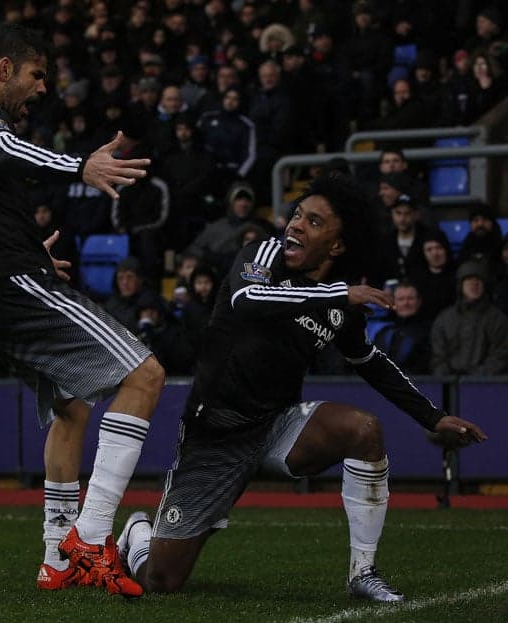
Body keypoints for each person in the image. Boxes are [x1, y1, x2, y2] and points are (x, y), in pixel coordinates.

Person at [115, 173, 487, 600]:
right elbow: (248, 301)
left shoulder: (336, 303)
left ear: (337, 245)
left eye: (313, 222)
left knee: (363, 430)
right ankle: (139, 530)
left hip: (275, 428)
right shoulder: (264, 253)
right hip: (214, 436)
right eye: (296, 215)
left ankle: (362, 573)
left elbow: (370, 362)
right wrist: (338, 294)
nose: (294, 225)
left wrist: (434, 416)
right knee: (162, 582)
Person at [0, 23, 165, 598]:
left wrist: (31, 254)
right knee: (145, 374)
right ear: (4, 67)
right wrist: (81, 165)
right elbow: (2, 150)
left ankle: (56, 557)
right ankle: (91, 534)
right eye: (36, 75)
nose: (41, 89)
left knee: (73, 409)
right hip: (5, 283)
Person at [430, 259, 508, 377]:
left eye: (478, 281)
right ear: (460, 285)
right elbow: (438, 357)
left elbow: (500, 356)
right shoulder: (444, 319)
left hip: (485, 386)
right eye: (469, 280)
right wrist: (447, 381)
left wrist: (474, 380)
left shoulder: (497, 319)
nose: (474, 284)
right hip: (449, 385)